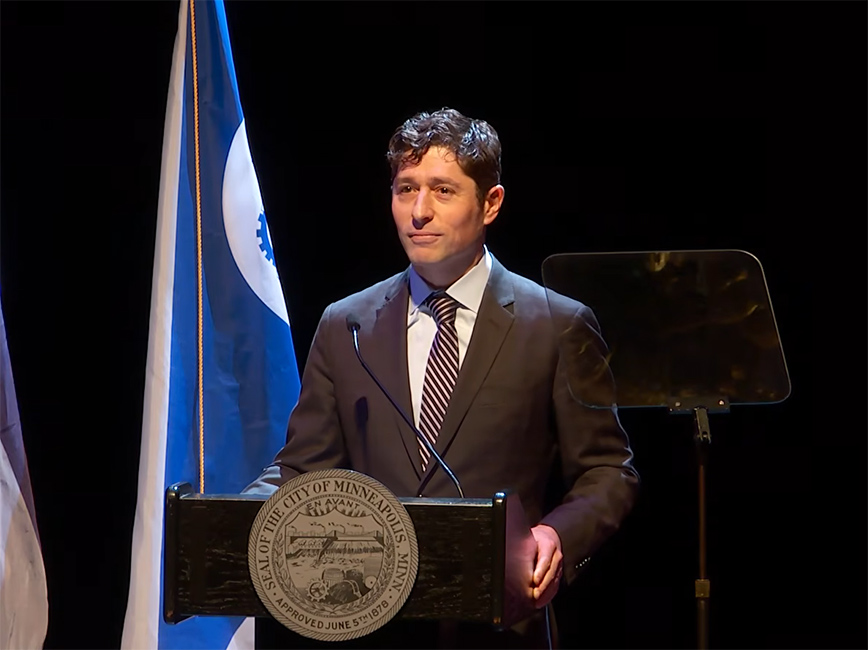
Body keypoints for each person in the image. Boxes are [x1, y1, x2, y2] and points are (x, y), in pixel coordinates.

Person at [246, 107, 639, 649]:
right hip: (370, 625)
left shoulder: (557, 324)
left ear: (491, 203)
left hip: (500, 627)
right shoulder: (347, 325)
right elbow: (302, 469)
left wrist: (557, 536)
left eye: (443, 191)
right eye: (405, 189)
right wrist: (233, 518)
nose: (419, 212)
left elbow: (607, 470)